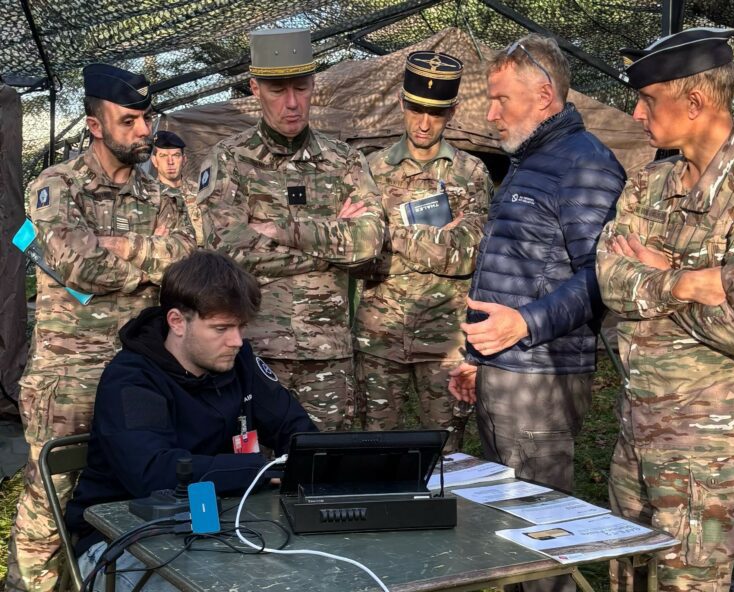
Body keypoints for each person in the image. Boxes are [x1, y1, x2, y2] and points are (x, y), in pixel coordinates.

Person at [596, 27, 734, 591]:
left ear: (694, 102)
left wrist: (655, 278)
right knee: (626, 579)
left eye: (648, 100)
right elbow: (610, 279)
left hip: (704, 460)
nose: (637, 114)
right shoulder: (649, 184)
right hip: (636, 437)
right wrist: (687, 283)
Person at [5, 64, 196, 592]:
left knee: (133, 496)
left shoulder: (161, 195)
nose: (144, 131)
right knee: (51, 504)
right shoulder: (58, 185)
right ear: (95, 125)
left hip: (141, 379)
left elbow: (188, 262)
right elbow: (77, 264)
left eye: (146, 118)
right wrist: (149, 264)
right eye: (129, 121)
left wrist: (116, 247)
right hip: (71, 378)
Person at [448, 33, 625, 592]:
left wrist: (525, 324)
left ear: (544, 95)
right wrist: (478, 356)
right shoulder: (531, 162)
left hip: (541, 380)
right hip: (506, 371)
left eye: (501, 99)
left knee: (541, 537)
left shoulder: (584, 165)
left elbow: (604, 278)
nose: (490, 114)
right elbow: (518, 271)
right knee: (509, 533)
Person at [64, 250, 316, 591]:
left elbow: (296, 431)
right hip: (123, 538)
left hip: (224, 526)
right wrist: (258, 470)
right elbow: (153, 473)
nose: (236, 340)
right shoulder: (132, 379)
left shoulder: (238, 361)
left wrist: (306, 462)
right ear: (177, 322)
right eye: (221, 328)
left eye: (241, 326)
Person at [198, 28, 384, 430]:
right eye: (278, 90)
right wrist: (332, 244)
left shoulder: (344, 160)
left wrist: (277, 229)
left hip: (328, 355)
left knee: (324, 463)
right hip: (253, 353)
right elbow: (225, 254)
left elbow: (369, 242)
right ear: (255, 88)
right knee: (255, 463)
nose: (293, 103)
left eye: (301, 88)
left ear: (314, 84)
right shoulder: (230, 160)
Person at [353, 51, 491, 452]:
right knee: (375, 450)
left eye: (436, 112)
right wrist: (437, 241)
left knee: (448, 456)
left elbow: (468, 254)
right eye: (416, 109)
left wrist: (391, 235)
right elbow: (359, 254)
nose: (424, 123)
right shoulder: (370, 170)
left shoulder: (471, 172)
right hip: (380, 337)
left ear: (453, 112)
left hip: (444, 340)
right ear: (401, 102)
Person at [151, 130, 204, 246]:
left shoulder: (201, 192)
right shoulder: (147, 195)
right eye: (163, 156)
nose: (170, 162)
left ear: (184, 160)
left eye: (176, 155)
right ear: (154, 161)